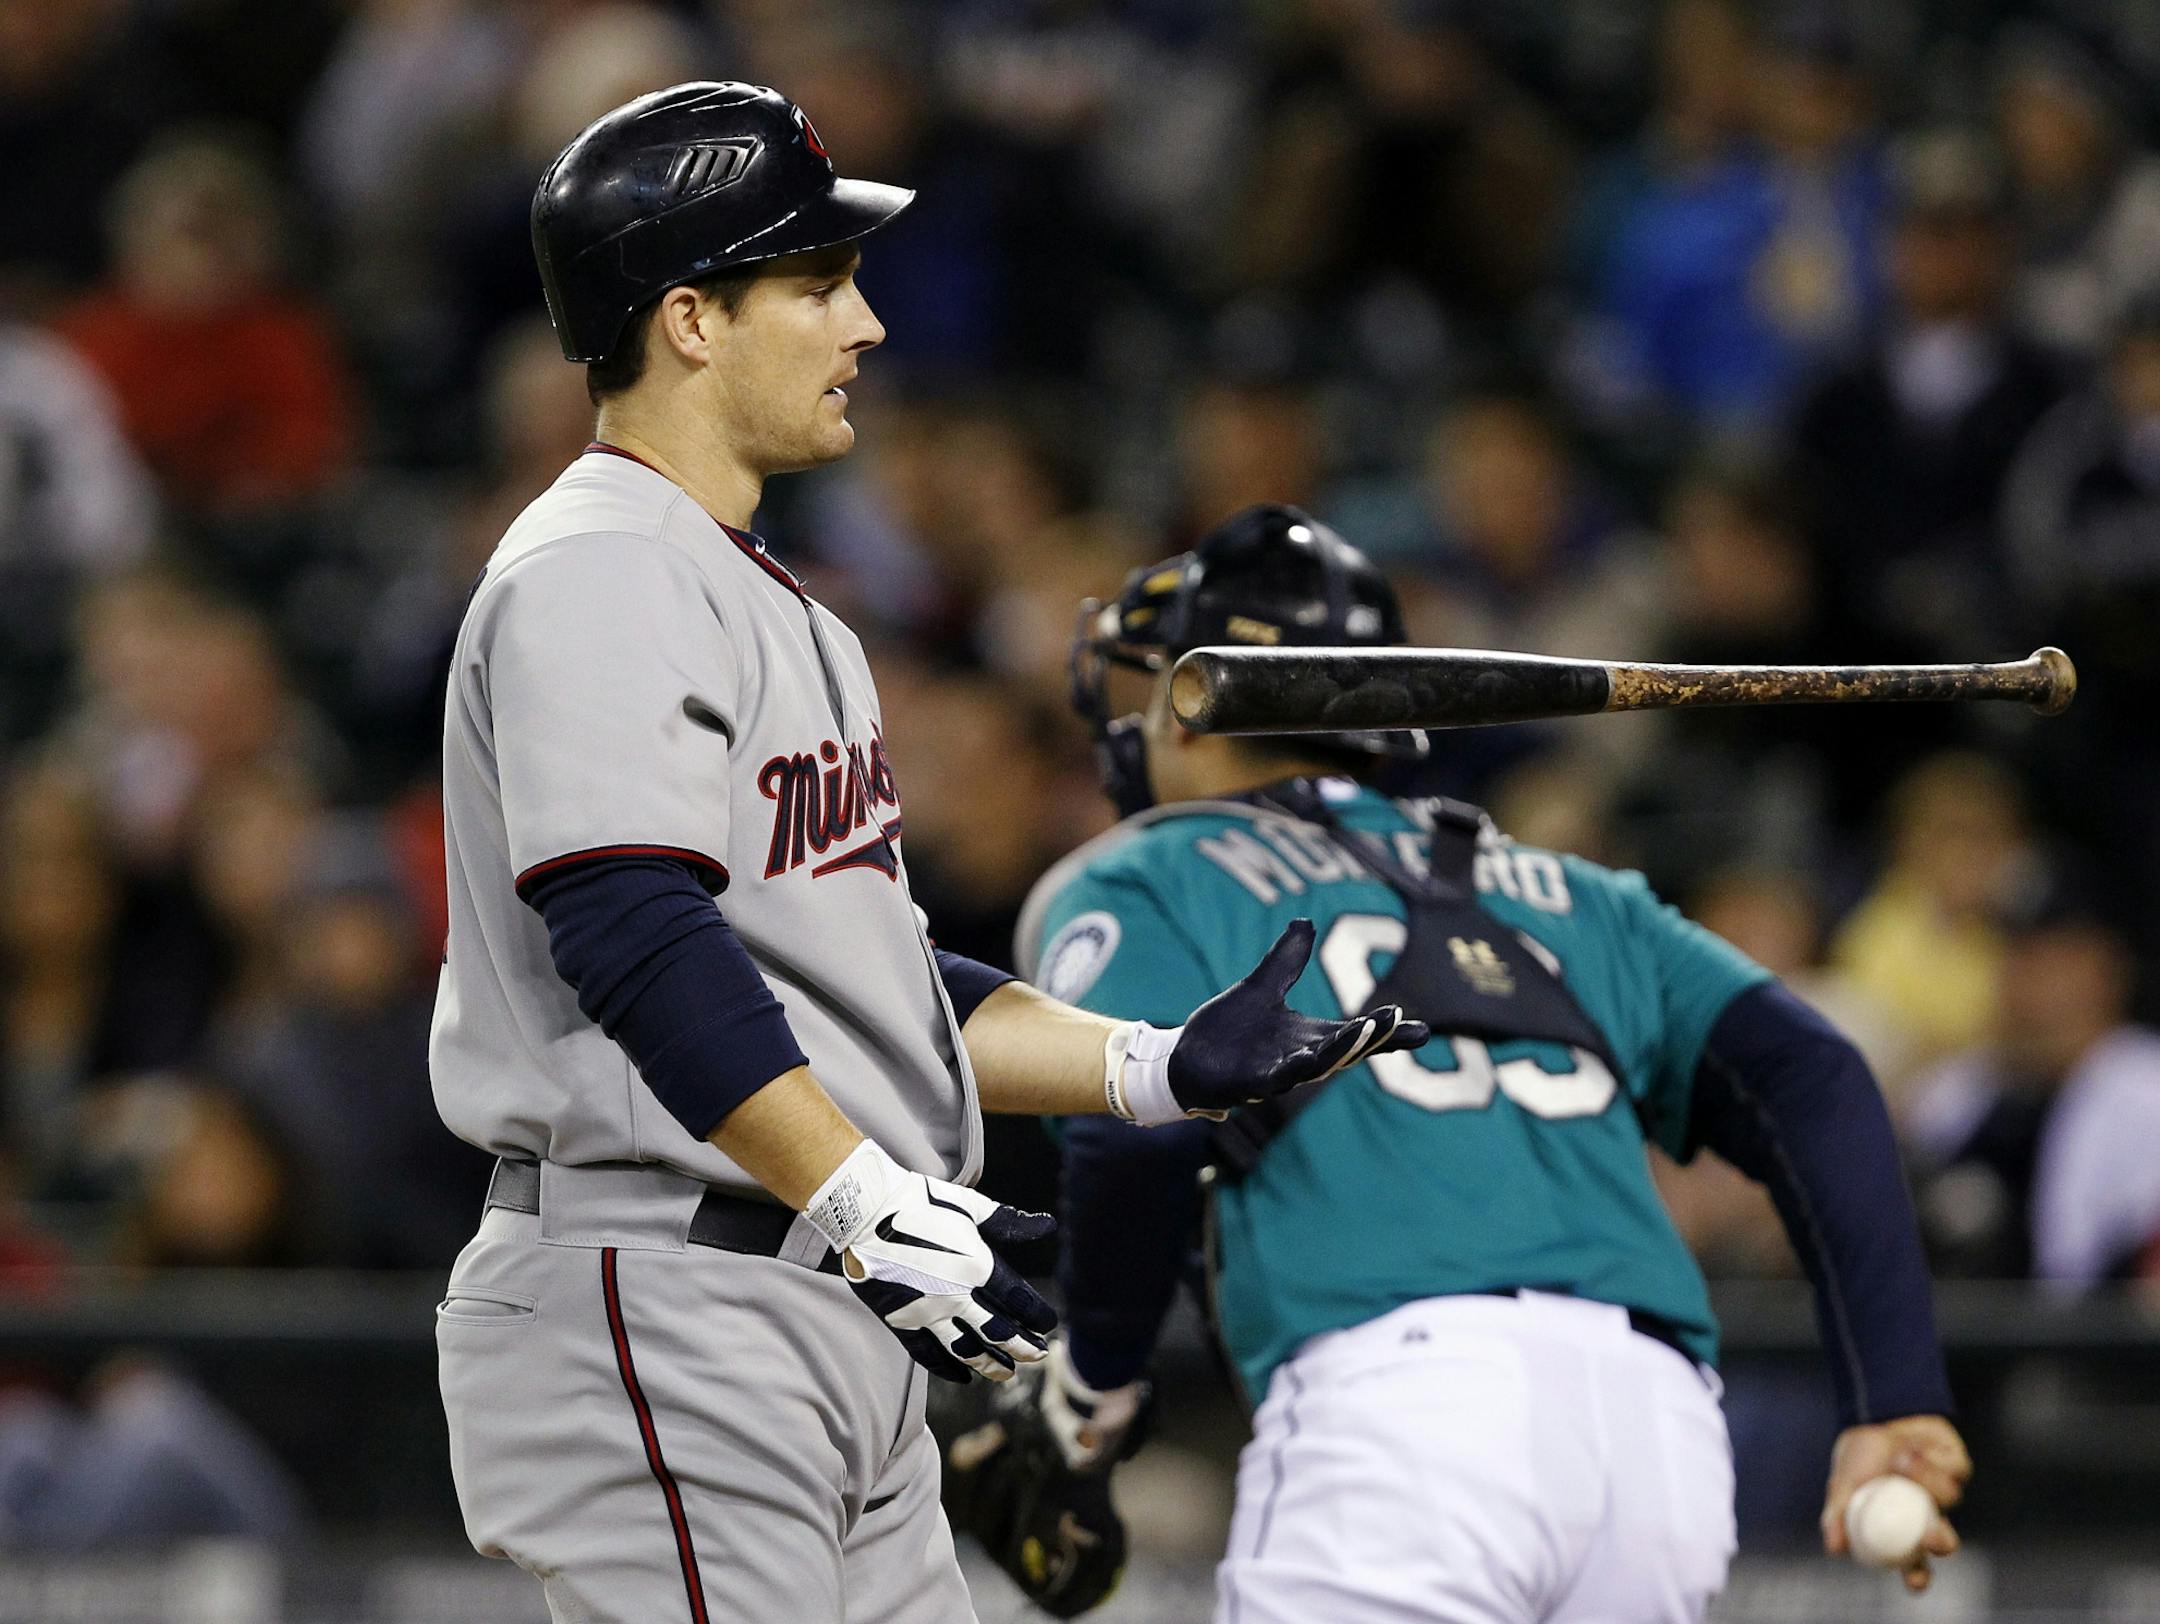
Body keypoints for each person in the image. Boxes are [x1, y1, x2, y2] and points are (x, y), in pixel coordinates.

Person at [427, 82, 1424, 1624]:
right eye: (817, 284)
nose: (866, 325)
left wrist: (1148, 1066)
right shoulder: (600, 567)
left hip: (810, 1289)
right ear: (690, 320)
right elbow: (626, 926)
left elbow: (864, 976)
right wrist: (859, 1200)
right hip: (668, 1285)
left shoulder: (775, 602)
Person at [1006, 504, 1972, 1622]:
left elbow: (1131, 1134)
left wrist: (1092, 1391)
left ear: (1196, 698)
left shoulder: (1141, 873)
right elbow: (1816, 1078)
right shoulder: (1572, 892)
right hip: (1657, 1442)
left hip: (1405, 1413)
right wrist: (1893, 1390)